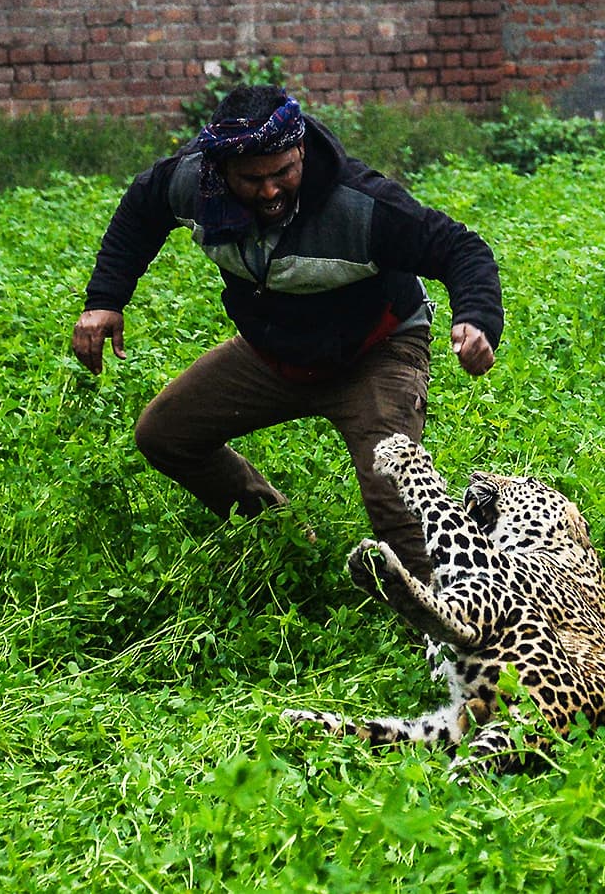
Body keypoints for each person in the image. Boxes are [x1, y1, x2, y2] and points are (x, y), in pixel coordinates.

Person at [71, 84, 503, 585]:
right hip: (272, 354)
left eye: (284, 172)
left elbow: (461, 249)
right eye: (252, 179)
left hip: (375, 351)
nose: (271, 190)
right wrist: (105, 300)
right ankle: (286, 537)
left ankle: (455, 617)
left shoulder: (360, 205)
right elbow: (140, 211)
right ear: (221, 170)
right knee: (164, 435)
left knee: (394, 495)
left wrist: (475, 318)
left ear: (300, 150)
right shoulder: (193, 183)